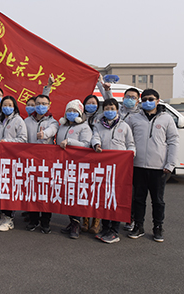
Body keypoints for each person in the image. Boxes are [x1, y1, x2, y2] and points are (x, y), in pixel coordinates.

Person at [125, 89, 179, 243]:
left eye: (151, 99)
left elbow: (173, 141)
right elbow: (126, 139)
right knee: (138, 199)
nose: (147, 102)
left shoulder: (166, 119)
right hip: (138, 165)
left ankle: (158, 227)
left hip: (159, 167)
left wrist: (170, 163)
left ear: (157, 100)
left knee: (158, 200)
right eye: (145, 99)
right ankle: (139, 226)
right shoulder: (134, 118)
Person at [91, 98, 136, 243]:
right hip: (104, 168)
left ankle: (114, 230)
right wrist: (96, 144)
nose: (109, 111)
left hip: (120, 169)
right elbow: (95, 137)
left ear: (117, 110)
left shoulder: (124, 126)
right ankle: (105, 227)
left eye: (112, 108)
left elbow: (131, 145)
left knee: (116, 199)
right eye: (106, 109)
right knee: (104, 198)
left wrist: (130, 156)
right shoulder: (98, 125)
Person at [57, 99, 93, 239]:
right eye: (69, 111)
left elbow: (86, 145)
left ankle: (76, 224)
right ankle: (71, 221)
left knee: (76, 195)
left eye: (74, 111)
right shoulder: (63, 126)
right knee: (67, 194)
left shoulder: (84, 127)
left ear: (80, 113)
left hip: (78, 165)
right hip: (64, 165)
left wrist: (70, 142)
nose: (71, 114)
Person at [0, 96, 28, 232]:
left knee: (10, 188)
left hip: (13, 159)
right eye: (4, 105)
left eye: (10, 105)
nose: (7, 107)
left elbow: (23, 139)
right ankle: (3, 215)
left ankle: (9, 219)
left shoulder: (19, 120)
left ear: (14, 106)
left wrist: (6, 142)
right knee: (1, 187)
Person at [24, 94, 59, 234]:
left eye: (44, 103)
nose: (40, 106)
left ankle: (45, 222)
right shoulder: (27, 121)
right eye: (38, 103)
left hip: (46, 162)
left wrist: (44, 134)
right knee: (32, 191)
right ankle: (33, 220)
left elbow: (52, 131)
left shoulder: (53, 121)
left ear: (49, 105)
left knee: (46, 193)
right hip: (30, 161)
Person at [80, 94, 103, 234]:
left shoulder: (101, 119)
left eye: (93, 103)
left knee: (97, 190)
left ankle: (96, 222)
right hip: (82, 160)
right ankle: (85, 221)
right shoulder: (79, 117)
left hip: (98, 158)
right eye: (88, 103)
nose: (91, 105)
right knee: (84, 190)